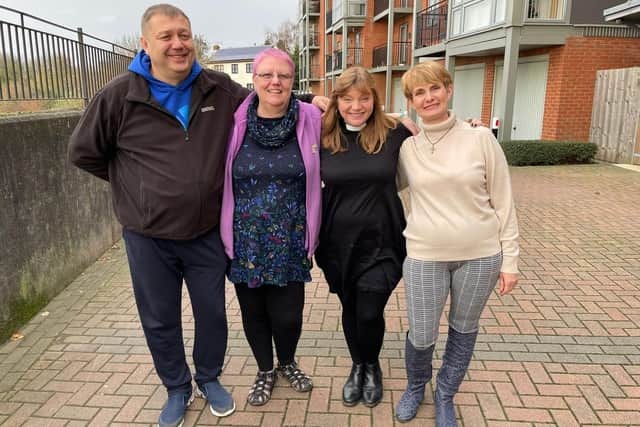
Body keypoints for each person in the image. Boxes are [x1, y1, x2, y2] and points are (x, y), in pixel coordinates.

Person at [68, 5, 325, 426]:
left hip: (206, 233)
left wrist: (314, 99)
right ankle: (176, 387)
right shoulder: (118, 96)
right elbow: (85, 153)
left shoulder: (218, 89)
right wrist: (137, 189)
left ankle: (209, 378)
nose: (177, 43)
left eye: (184, 34)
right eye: (166, 36)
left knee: (212, 314)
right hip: (148, 237)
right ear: (145, 44)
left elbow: (269, 98)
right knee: (159, 317)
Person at [395, 61, 519, 425]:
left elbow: (504, 201)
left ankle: (445, 394)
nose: (428, 96)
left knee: (464, 327)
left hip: (480, 255)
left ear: (449, 90)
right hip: (424, 255)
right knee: (421, 332)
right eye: (419, 92)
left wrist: (510, 260)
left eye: (435, 88)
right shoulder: (406, 148)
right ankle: (416, 385)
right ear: (412, 102)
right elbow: (384, 183)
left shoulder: (480, 138)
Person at [220, 48, 321, 407]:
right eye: (267, 75)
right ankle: (265, 369)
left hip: (292, 237)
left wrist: (407, 126)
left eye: (283, 75)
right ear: (255, 79)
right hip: (246, 238)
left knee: (289, 314)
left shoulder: (311, 117)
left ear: (293, 81)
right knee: (253, 313)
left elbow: (359, 121)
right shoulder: (233, 121)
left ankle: (288, 362)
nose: (275, 82)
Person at [315, 66, 412, 408]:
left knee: (369, 311)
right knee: (350, 307)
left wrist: (470, 128)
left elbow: (437, 136)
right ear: (337, 101)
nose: (356, 106)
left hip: (383, 240)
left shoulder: (395, 132)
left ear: (375, 99)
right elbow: (275, 101)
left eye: (364, 98)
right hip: (336, 242)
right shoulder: (323, 134)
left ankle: (372, 366)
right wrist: (311, 97)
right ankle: (358, 366)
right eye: (347, 98)